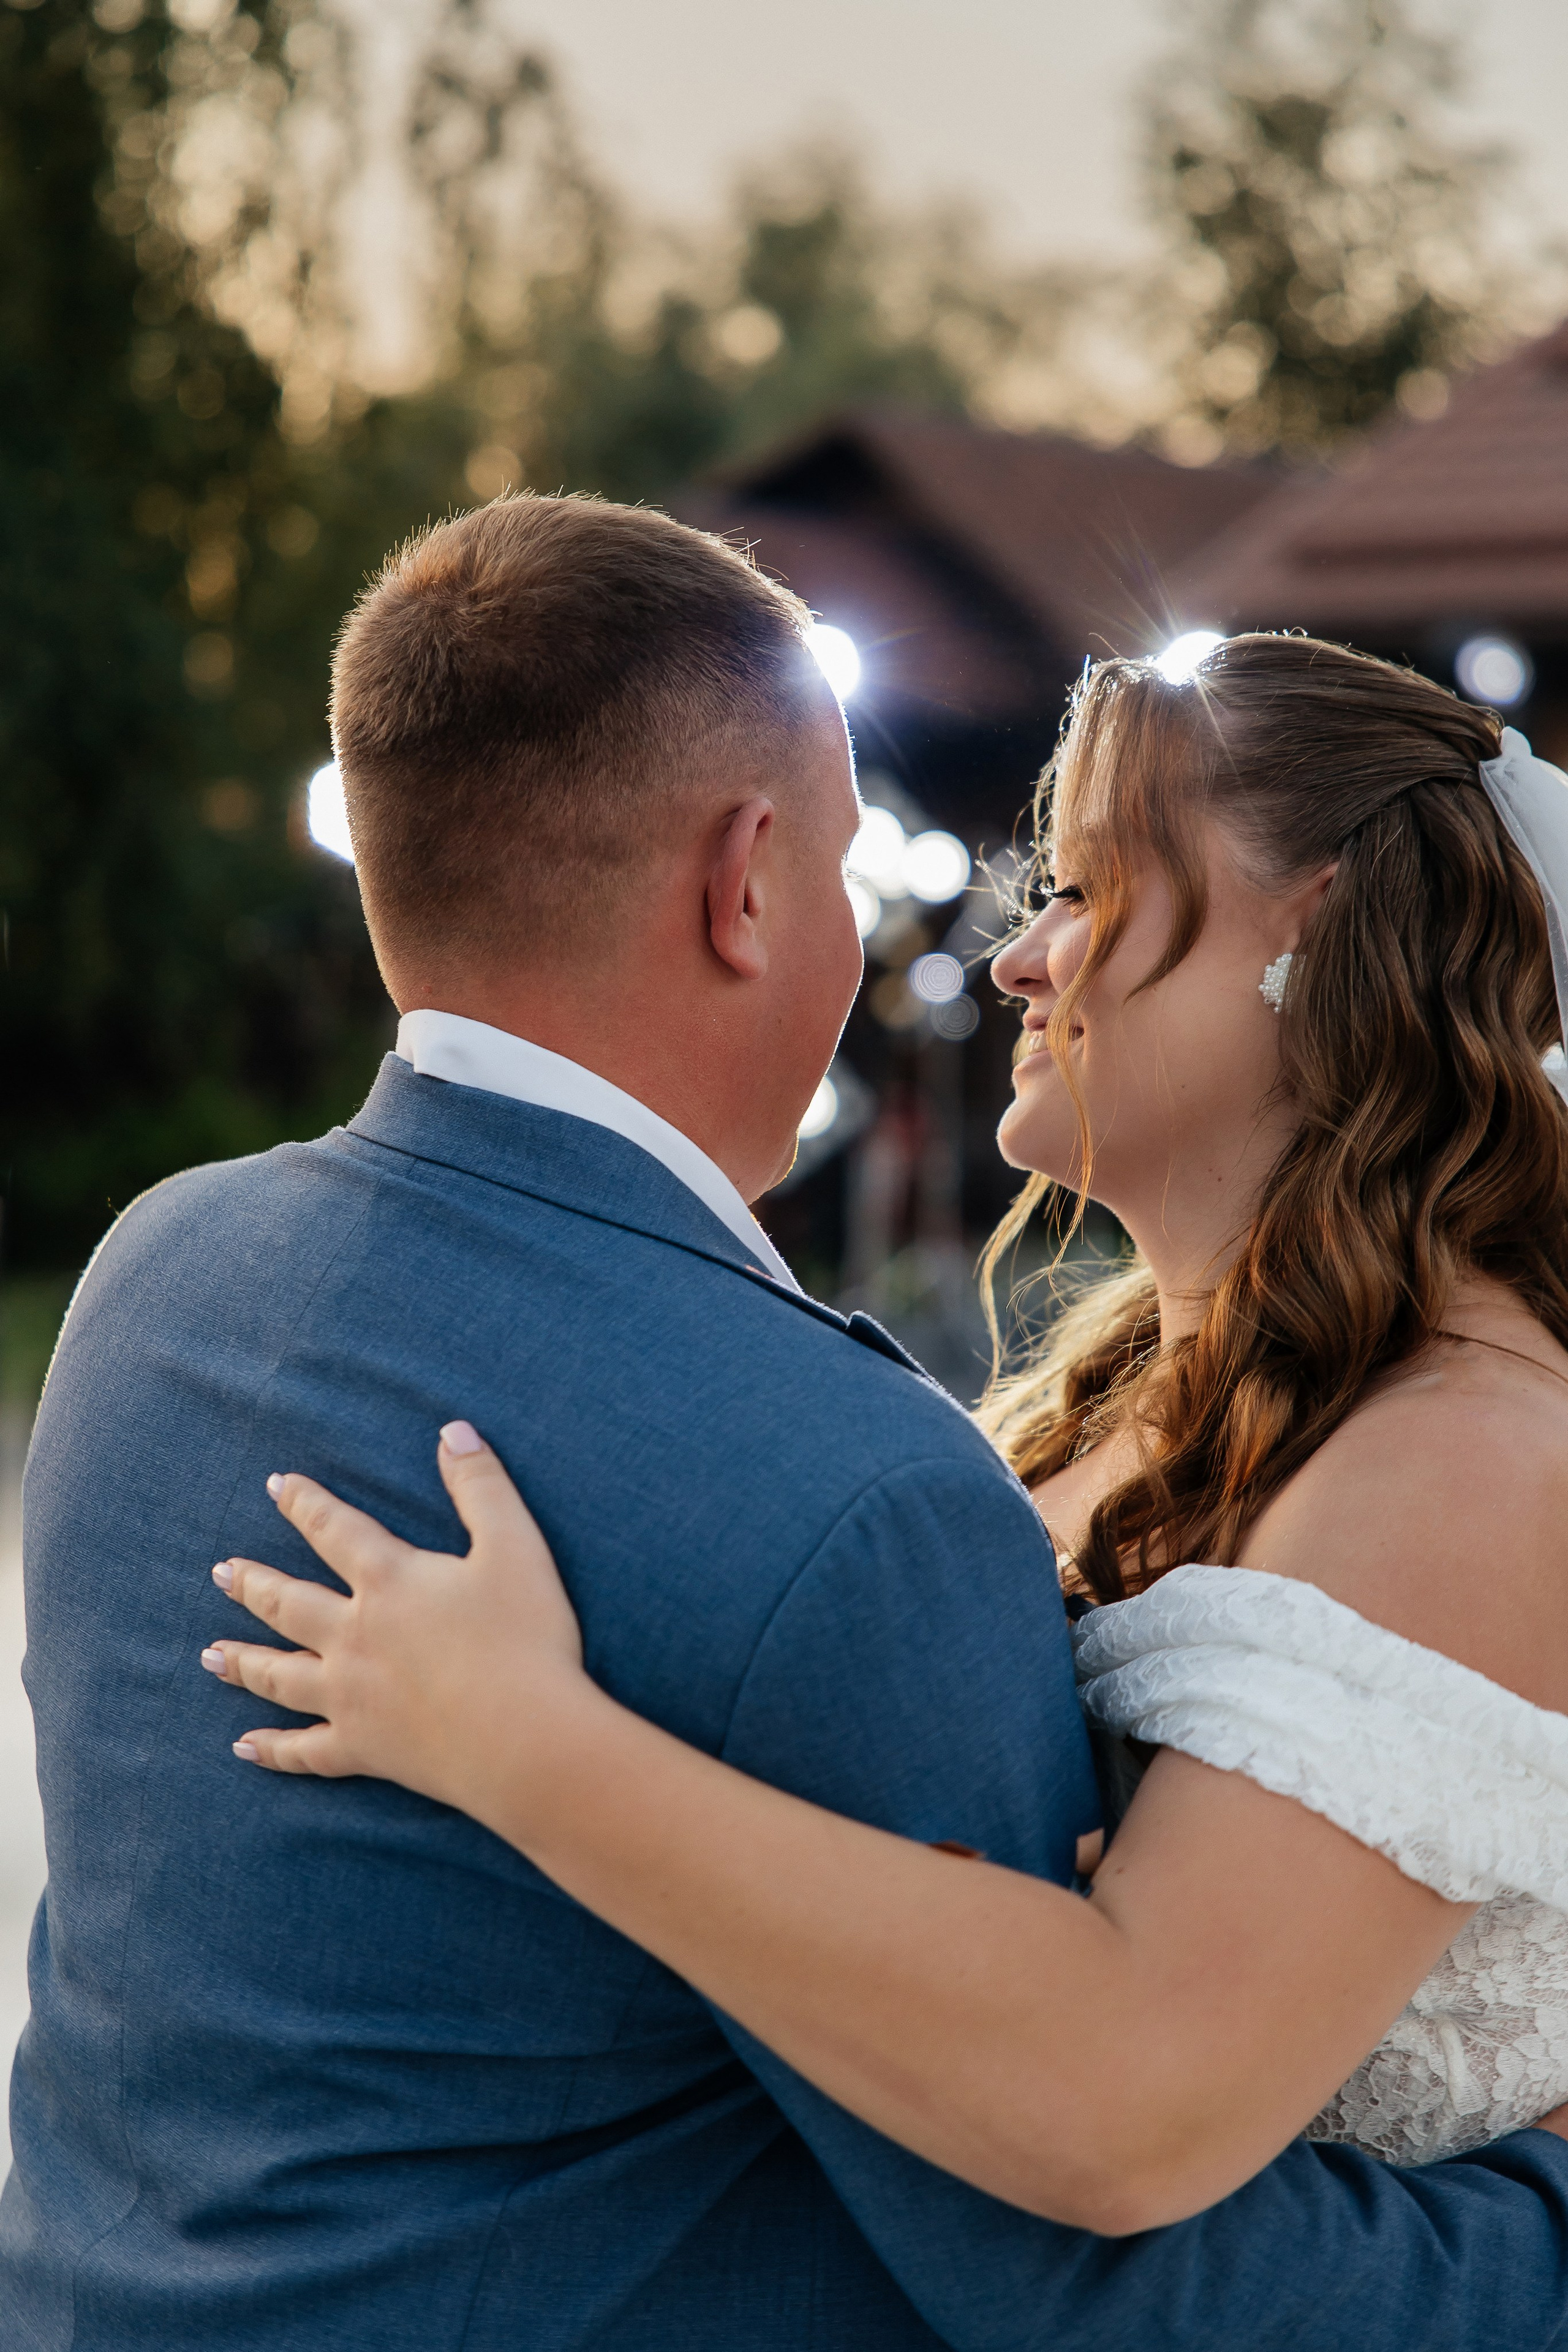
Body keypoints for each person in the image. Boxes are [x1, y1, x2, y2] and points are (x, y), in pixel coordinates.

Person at [10, 524, 1568, 2352]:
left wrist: (528, 1744)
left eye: (1090, 891)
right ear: (748, 886)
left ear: (1309, 936)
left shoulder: (160, 1274)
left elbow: (1119, 2112)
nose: (1011, 961)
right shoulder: (961, 1451)